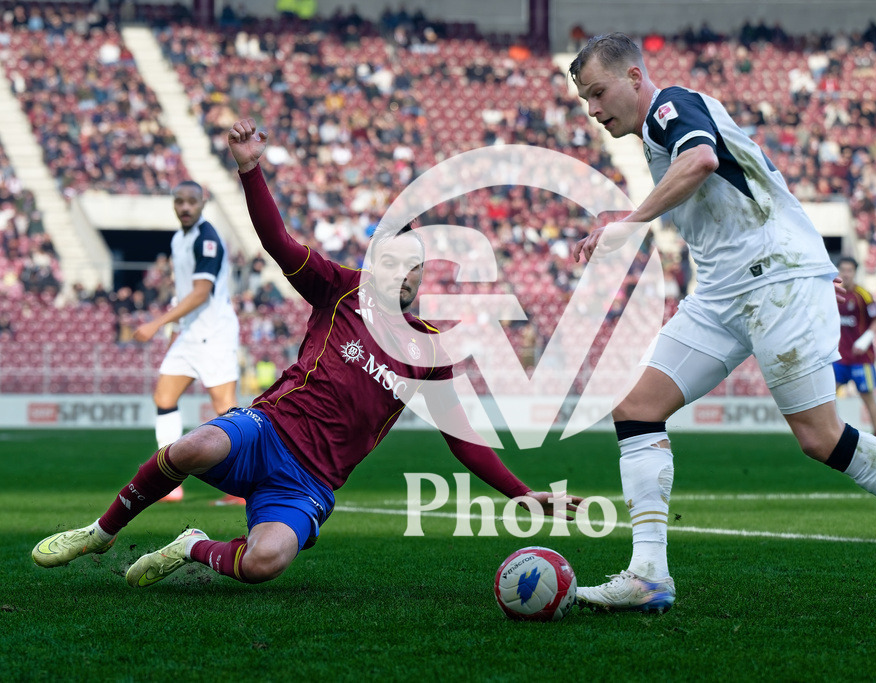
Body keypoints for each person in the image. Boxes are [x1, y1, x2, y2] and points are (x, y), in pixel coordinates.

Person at [31, 119, 579, 588]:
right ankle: (99, 535)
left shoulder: (431, 348)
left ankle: (192, 545)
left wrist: (520, 493)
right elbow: (277, 241)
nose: (407, 276)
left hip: (310, 482)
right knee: (192, 445)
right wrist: (250, 169)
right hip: (267, 429)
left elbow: (463, 439)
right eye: (396, 263)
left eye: (416, 268)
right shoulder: (340, 288)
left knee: (264, 562)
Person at [567, 33, 876, 614]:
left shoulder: (670, 106)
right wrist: (811, 254)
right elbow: (757, 181)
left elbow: (703, 159)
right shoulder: (658, 130)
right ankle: (648, 574)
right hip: (723, 291)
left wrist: (631, 223)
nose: (592, 110)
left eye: (597, 92)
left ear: (635, 78)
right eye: (585, 100)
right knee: (636, 407)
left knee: (819, 438)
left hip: (771, 283)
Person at [132, 180, 244, 505]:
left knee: (226, 410)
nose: (184, 207)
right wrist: (175, 329)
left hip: (214, 334)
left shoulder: (207, 239)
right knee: (164, 396)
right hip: (189, 333)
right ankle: (169, 479)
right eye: (179, 201)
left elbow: (200, 293)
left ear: (202, 203)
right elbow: (185, 291)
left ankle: (242, 486)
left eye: (191, 202)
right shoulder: (178, 239)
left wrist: (157, 323)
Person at [833, 256, 876, 438]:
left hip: (862, 360)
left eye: (849, 270)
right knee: (827, 397)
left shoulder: (863, 295)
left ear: (855, 273)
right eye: (843, 270)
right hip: (839, 358)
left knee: (868, 398)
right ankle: (830, 435)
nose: (846, 274)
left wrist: (865, 340)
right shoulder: (832, 294)